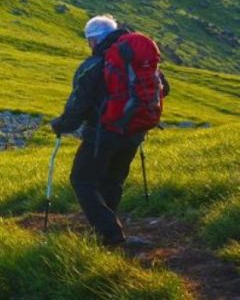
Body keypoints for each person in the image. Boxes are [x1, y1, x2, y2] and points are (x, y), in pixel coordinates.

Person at [51, 15, 170, 247]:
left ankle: (110, 233)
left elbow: (78, 105)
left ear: (94, 40)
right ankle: (106, 231)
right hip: (135, 131)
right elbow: (164, 89)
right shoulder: (137, 58)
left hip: (103, 134)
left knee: (82, 180)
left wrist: (60, 125)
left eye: (89, 41)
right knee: (113, 180)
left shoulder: (93, 66)